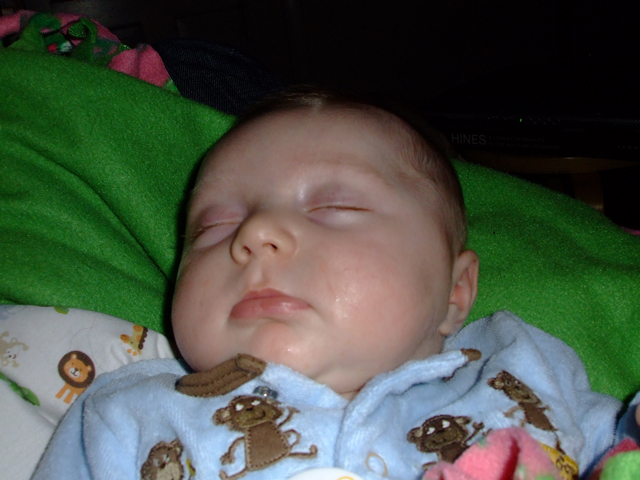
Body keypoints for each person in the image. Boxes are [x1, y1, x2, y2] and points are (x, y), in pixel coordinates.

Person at [32, 88, 626, 480]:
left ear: (454, 292)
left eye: (336, 206)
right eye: (214, 226)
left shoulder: (518, 370)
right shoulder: (128, 416)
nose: (257, 233)